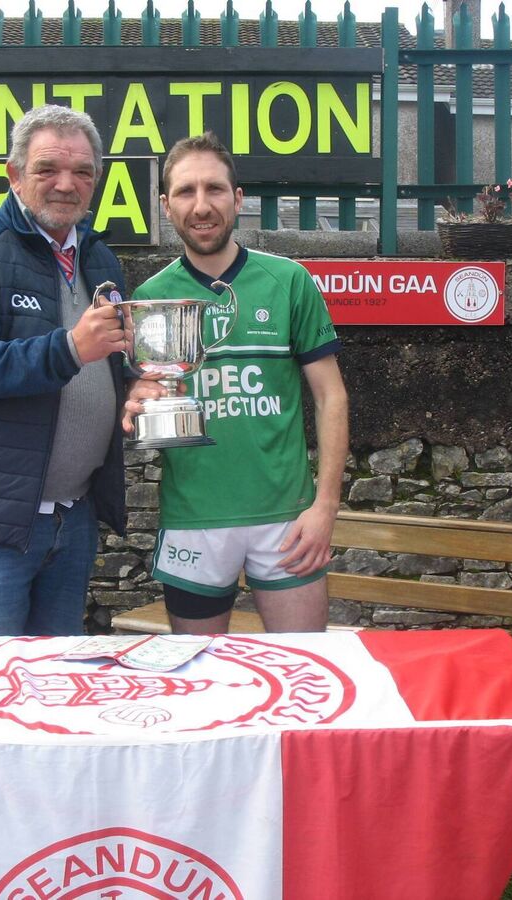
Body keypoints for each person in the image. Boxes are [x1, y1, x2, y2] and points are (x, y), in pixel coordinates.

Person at [0, 105, 132, 636]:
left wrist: (138, 381)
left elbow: (107, 359)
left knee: (55, 683)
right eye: (47, 169)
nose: (67, 184)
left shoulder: (100, 260)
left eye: (83, 172)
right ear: (14, 175)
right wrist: (68, 349)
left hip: (72, 515)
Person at [125, 132, 349, 634]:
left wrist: (325, 506)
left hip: (288, 518)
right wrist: (138, 402)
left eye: (215, 189)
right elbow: (150, 396)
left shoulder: (289, 280)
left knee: (303, 673)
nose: (201, 205)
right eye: (185, 192)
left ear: (238, 199)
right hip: (194, 520)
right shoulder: (151, 296)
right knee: (197, 679)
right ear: (166, 205)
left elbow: (330, 395)